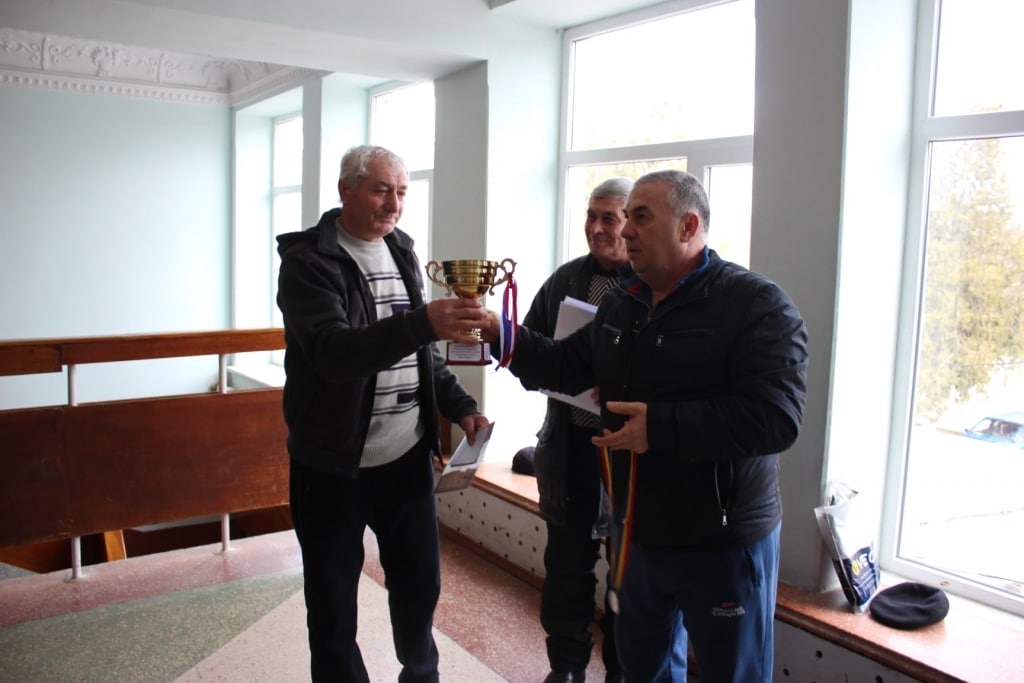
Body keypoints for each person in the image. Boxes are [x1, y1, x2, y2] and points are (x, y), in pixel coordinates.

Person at [483, 169, 808, 682]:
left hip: (722, 541)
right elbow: (566, 365)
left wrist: (659, 427)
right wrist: (502, 335)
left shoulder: (755, 305)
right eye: (626, 216)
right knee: (643, 670)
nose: (626, 230)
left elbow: (776, 418)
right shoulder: (624, 303)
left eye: (640, 217)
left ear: (688, 226)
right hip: (637, 531)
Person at [276, 144, 491, 683]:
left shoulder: (401, 250)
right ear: (346, 190)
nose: (394, 204)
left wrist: (460, 405)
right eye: (380, 190)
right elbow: (333, 353)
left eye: (401, 192)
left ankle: (421, 676)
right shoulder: (308, 263)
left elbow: (419, 354)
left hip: (405, 459)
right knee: (332, 609)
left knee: (420, 589)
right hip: (331, 466)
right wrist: (422, 323)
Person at [521, 177, 633, 683]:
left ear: (634, 223)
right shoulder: (565, 280)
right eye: (591, 215)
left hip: (630, 457)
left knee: (628, 579)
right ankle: (565, 669)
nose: (597, 227)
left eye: (610, 217)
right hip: (571, 451)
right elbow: (527, 351)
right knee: (567, 572)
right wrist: (550, 374)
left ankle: (622, 672)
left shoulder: (650, 284)